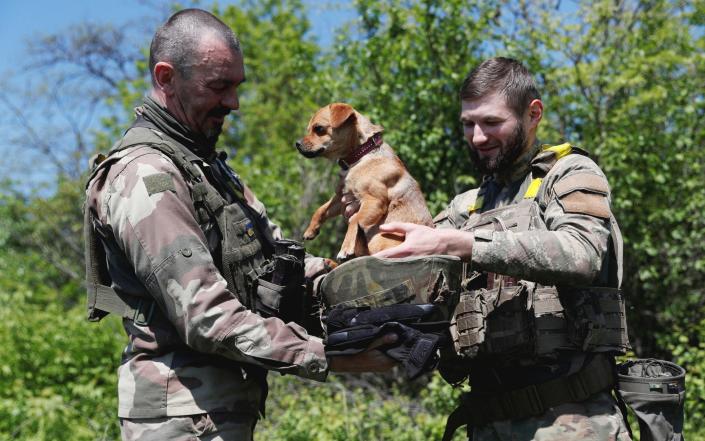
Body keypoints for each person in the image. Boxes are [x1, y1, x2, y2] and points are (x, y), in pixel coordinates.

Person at [83, 9, 392, 441]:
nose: (234, 103)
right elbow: (205, 316)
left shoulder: (205, 168)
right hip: (180, 420)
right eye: (219, 87)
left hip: (217, 413)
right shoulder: (145, 176)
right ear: (166, 77)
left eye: (236, 86)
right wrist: (332, 355)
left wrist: (373, 274)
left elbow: (278, 259)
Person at [375, 57, 631, 440]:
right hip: (488, 422)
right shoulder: (468, 205)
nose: (478, 137)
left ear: (533, 114)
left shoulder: (570, 175)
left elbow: (584, 252)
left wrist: (461, 243)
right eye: (468, 124)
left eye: (492, 122)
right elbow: (404, 272)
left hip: (574, 421)